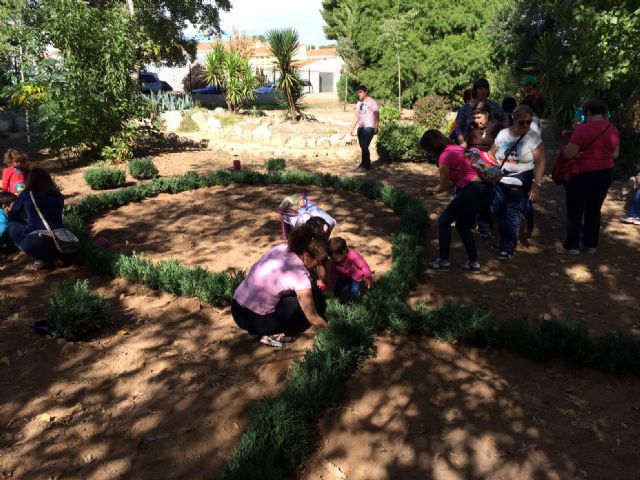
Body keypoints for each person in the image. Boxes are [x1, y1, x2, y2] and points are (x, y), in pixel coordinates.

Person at [231, 224, 329, 347]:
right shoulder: (299, 276)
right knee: (302, 309)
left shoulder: (282, 248)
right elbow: (312, 317)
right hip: (255, 321)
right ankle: (270, 334)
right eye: (319, 261)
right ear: (307, 256)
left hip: (236, 308)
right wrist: (334, 332)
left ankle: (262, 328)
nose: (319, 265)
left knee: (307, 294)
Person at [421, 129, 495, 273]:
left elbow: (443, 186)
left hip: (472, 190)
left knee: (444, 221)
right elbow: (454, 182)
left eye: (427, 150)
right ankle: (474, 263)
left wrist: (431, 190)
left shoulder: (443, 157)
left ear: (431, 147)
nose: (427, 153)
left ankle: (444, 261)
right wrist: (434, 190)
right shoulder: (457, 148)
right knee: (462, 225)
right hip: (486, 190)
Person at [558, 99, 620, 254]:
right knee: (594, 208)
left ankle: (572, 246)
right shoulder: (613, 129)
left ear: (588, 113)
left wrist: (567, 150)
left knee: (576, 208)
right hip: (605, 172)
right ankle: (590, 245)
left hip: (582, 173)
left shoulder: (583, 129)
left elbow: (569, 153)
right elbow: (615, 154)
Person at [490, 105, 547, 260]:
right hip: (500, 178)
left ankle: (508, 246)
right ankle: (504, 240)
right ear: (514, 119)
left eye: (528, 122)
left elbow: (541, 162)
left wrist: (537, 185)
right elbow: (491, 153)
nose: (525, 125)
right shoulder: (503, 134)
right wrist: (492, 170)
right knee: (497, 210)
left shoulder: (533, 137)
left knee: (512, 212)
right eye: (522, 122)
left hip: (520, 179)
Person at [6, 167, 67, 269]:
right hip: (60, 239)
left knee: (12, 226)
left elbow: (13, 214)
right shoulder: (58, 195)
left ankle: (39, 259)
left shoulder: (27, 194)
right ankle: (57, 258)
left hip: (39, 240)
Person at [464, 101, 501, 238]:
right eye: (474, 117)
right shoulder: (471, 127)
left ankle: (485, 227)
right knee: (472, 194)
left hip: (490, 164)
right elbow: (467, 146)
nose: (476, 120)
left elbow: (502, 144)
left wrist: (490, 161)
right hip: (473, 163)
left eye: (479, 117)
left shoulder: (496, 125)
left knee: (487, 197)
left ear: (487, 114)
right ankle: (469, 223)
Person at [455, 78, 508, 147]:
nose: (483, 91)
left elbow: (505, 120)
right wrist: (462, 142)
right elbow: (459, 128)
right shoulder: (465, 108)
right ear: (475, 90)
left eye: (485, 88)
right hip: (471, 146)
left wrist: (496, 124)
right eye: (480, 88)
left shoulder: (494, 105)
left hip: (491, 145)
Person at [327, 236, 373, 303]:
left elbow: (363, 266)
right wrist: (331, 286)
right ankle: (337, 298)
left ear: (344, 252)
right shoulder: (334, 261)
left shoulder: (353, 256)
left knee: (354, 291)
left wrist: (368, 277)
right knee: (337, 288)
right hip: (343, 276)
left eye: (335, 258)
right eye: (331, 258)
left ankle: (352, 303)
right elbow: (332, 274)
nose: (333, 260)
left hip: (356, 277)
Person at [350, 84, 379, 171]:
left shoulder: (372, 102)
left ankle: (365, 166)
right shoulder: (359, 103)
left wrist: (376, 126)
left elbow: (377, 114)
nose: (359, 94)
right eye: (358, 92)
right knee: (363, 147)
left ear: (365, 92)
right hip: (361, 128)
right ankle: (366, 164)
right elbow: (356, 116)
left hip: (369, 128)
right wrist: (352, 127)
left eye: (360, 92)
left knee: (365, 146)